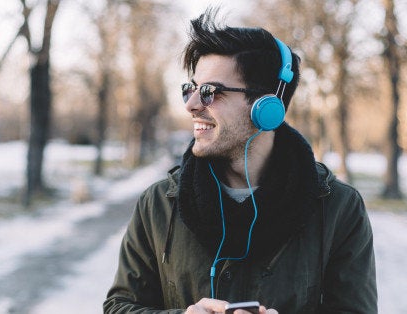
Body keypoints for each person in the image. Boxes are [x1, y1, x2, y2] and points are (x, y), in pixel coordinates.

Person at [104, 8, 377, 314]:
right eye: (190, 89)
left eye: (210, 92)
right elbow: (119, 307)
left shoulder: (338, 208)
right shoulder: (159, 204)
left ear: (267, 107)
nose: (192, 105)